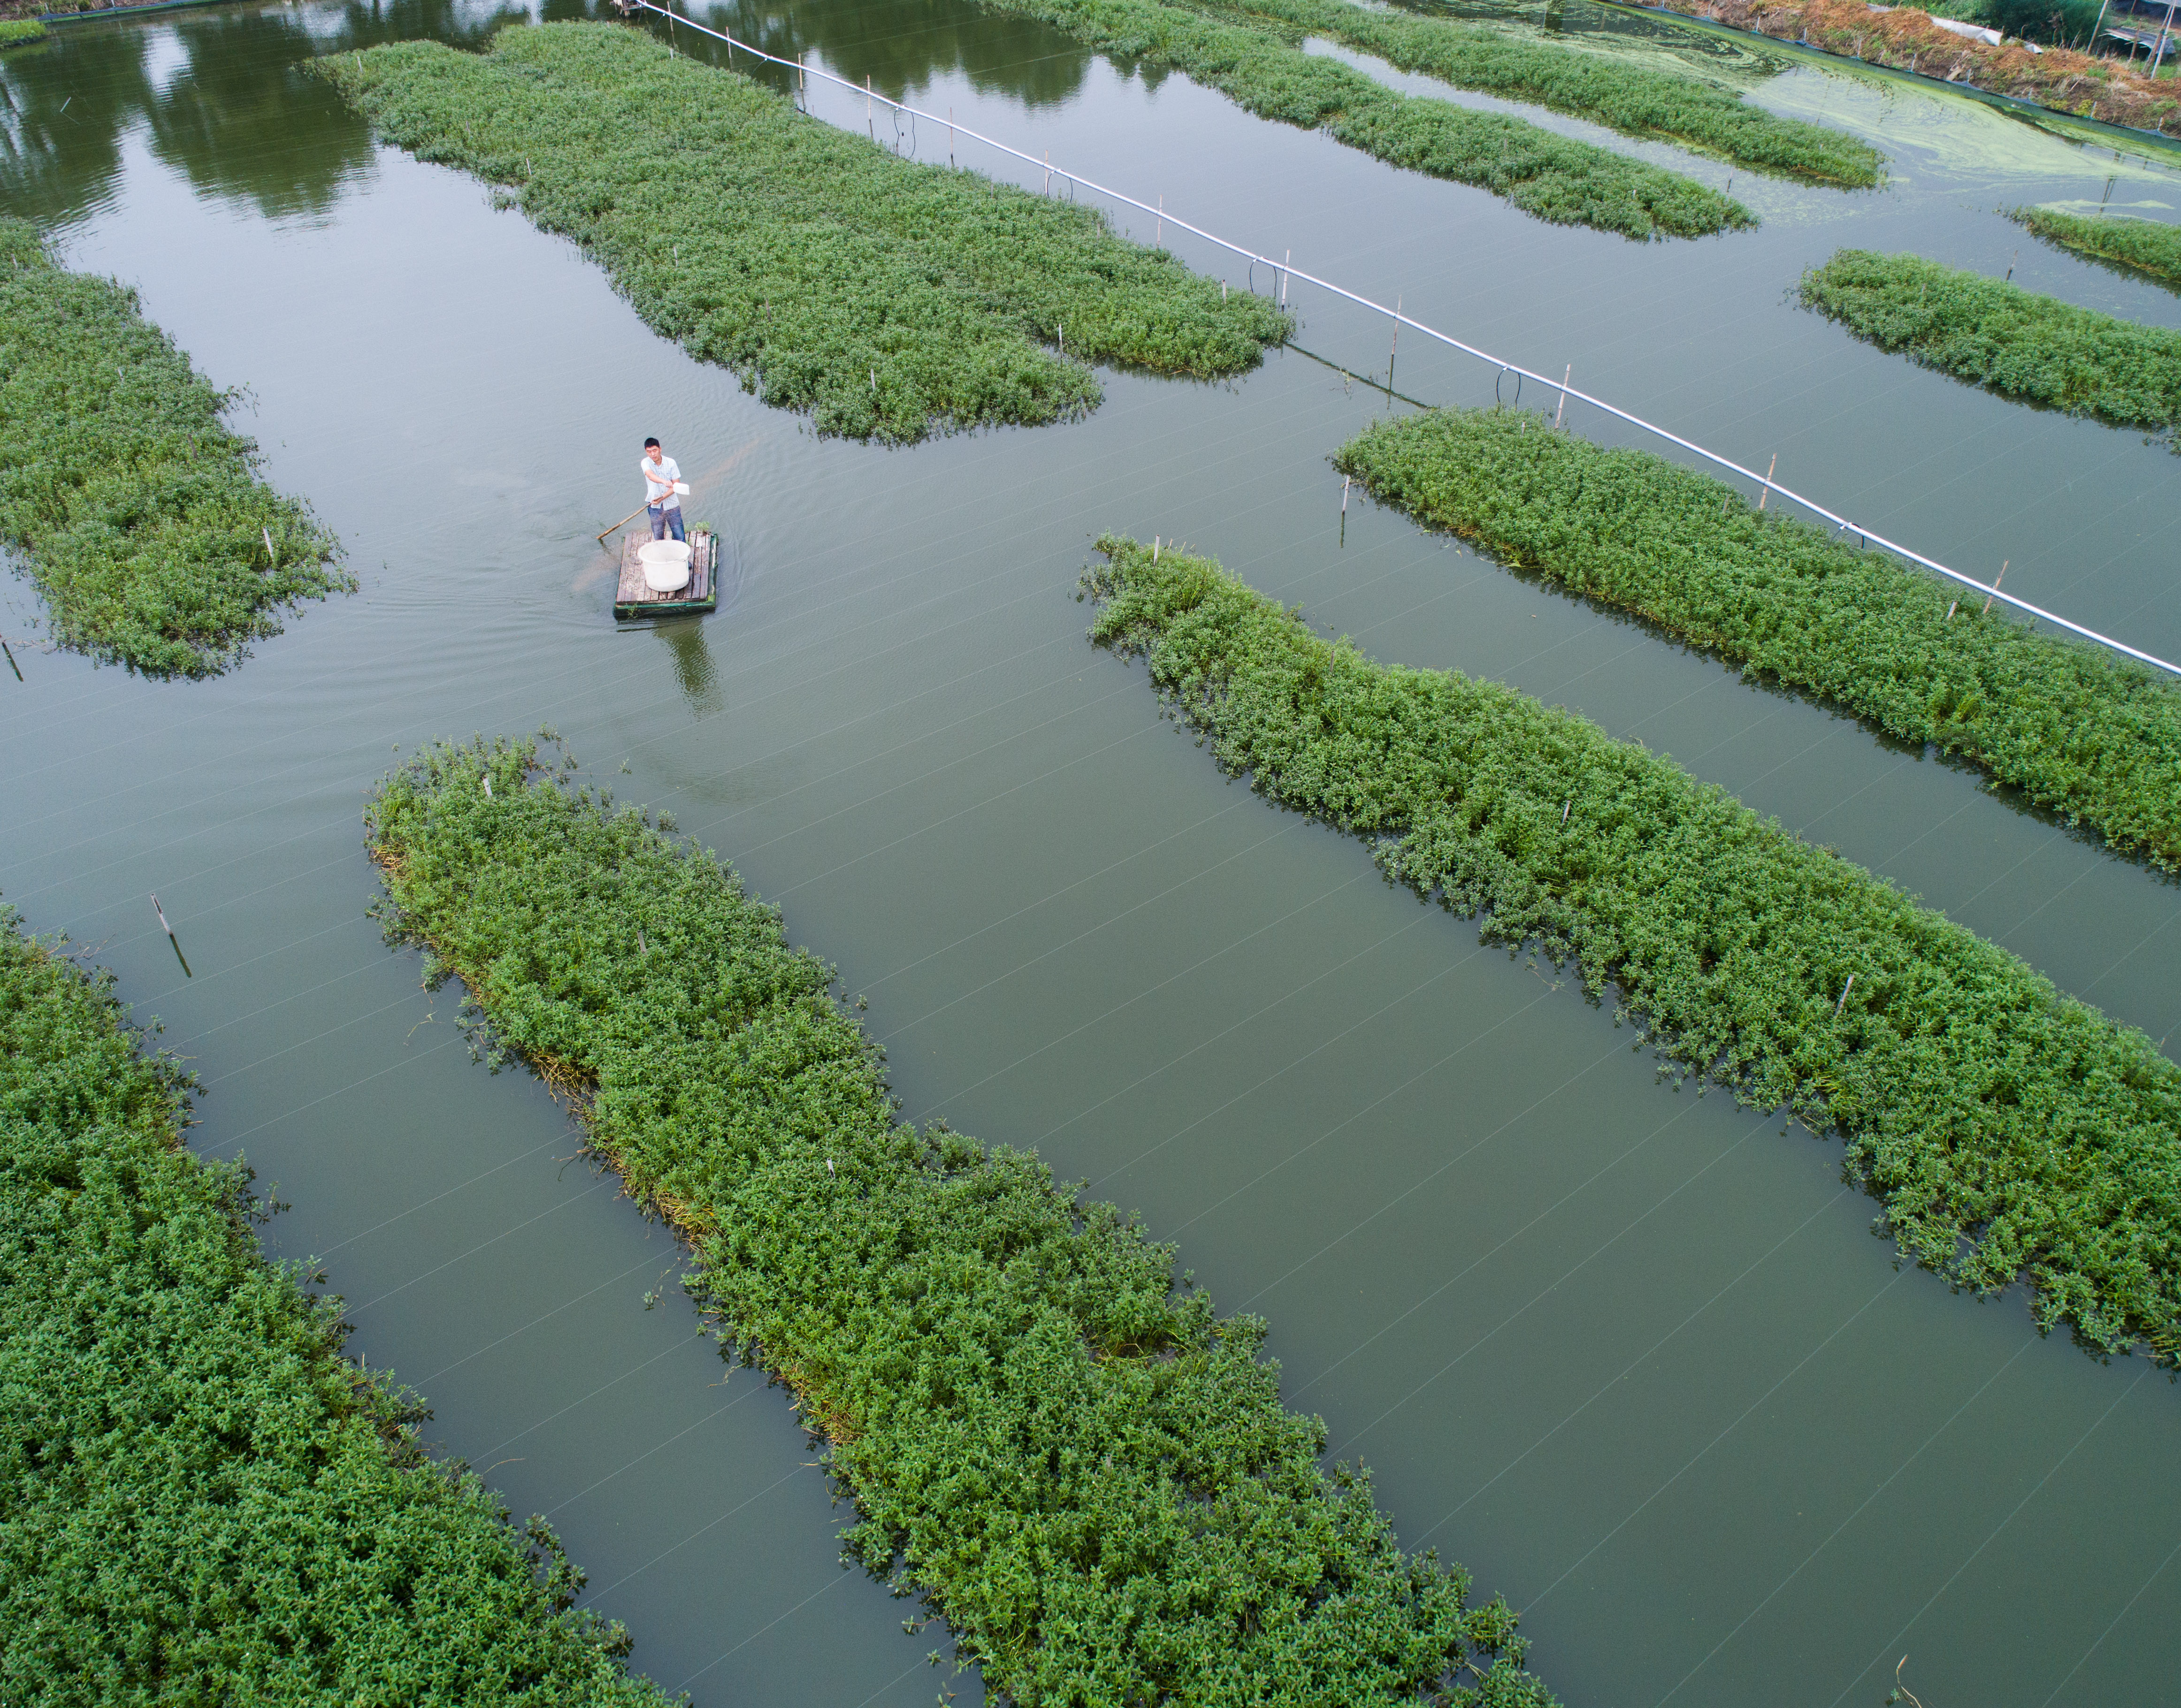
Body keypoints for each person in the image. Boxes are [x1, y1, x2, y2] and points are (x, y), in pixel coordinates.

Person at [641, 437, 685, 544]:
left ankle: (683, 560)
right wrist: (664, 482)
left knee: (680, 536)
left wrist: (662, 498)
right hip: (655, 507)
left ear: (660, 449)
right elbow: (650, 476)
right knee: (658, 538)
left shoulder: (671, 463)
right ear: (646, 452)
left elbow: (676, 485)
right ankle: (662, 559)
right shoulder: (645, 463)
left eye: (655, 450)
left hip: (672, 506)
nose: (653, 454)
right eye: (649, 452)